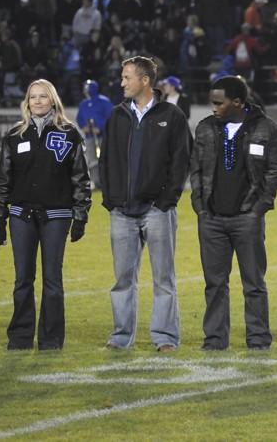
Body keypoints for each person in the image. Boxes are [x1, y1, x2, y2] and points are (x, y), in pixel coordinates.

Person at [100, 56, 191, 351]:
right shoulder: (117, 116)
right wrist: (111, 199)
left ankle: (165, 338)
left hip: (157, 209)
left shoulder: (172, 116)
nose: (122, 83)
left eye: (127, 77)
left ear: (145, 81)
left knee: (163, 278)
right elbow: (107, 160)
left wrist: (166, 200)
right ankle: (120, 336)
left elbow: (181, 162)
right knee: (122, 279)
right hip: (122, 211)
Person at [0, 79, 91, 350]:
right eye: (32, 97)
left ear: (53, 100)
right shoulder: (15, 135)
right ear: (26, 101)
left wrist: (81, 215)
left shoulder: (69, 132)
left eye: (42, 96)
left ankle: (51, 339)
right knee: (23, 278)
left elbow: (81, 178)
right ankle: (21, 337)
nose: (37, 101)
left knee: (52, 280)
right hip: (21, 215)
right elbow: (3, 179)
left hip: (56, 215)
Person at [189, 75, 277, 351]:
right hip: (212, 218)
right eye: (212, 102)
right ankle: (216, 340)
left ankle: (257, 339)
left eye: (219, 103)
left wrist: (259, 208)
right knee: (214, 284)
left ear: (238, 102)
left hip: (247, 217)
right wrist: (200, 207)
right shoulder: (206, 128)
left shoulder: (267, 128)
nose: (214, 108)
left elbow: (274, 170)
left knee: (253, 283)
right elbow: (195, 170)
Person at [76, 79, 113, 190]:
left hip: (104, 136)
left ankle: (108, 181)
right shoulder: (83, 103)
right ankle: (96, 182)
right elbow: (79, 118)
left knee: (105, 158)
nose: (85, 90)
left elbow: (111, 117)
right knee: (92, 160)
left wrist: (100, 127)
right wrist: (84, 127)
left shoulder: (104, 101)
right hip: (89, 136)